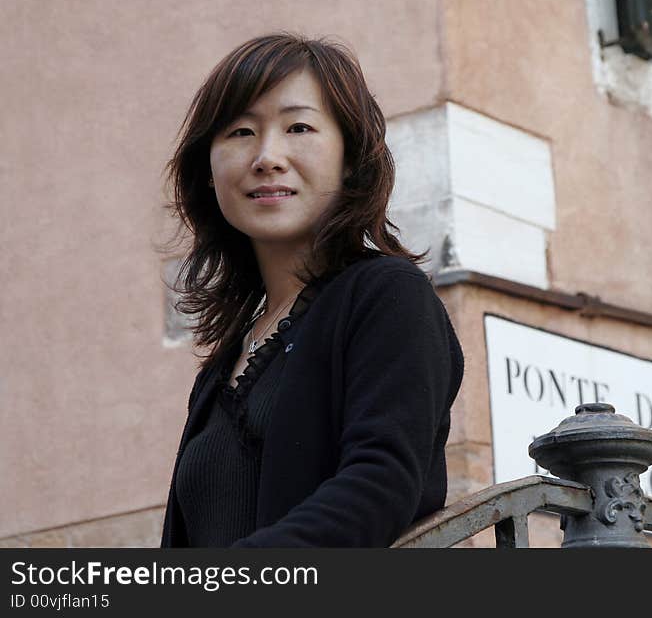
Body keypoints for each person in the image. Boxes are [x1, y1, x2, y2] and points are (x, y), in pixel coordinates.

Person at [160, 33, 464, 547]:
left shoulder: (389, 298)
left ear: (350, 159)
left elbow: (379, 486)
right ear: (208, 173)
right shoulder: (221, 367)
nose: (267, 156)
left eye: (298, 127)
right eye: (239, 132)